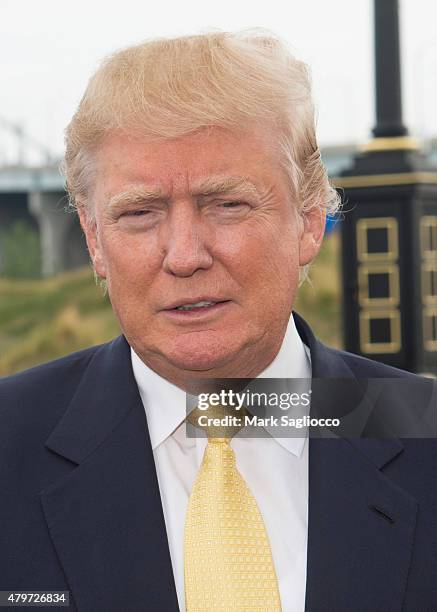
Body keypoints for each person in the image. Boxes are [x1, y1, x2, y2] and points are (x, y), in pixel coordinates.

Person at [1, 30, 436, 612]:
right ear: (93, 239)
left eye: (226, 204)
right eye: (139, 213)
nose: (184, 255)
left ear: (309, 220)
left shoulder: (421, 433)